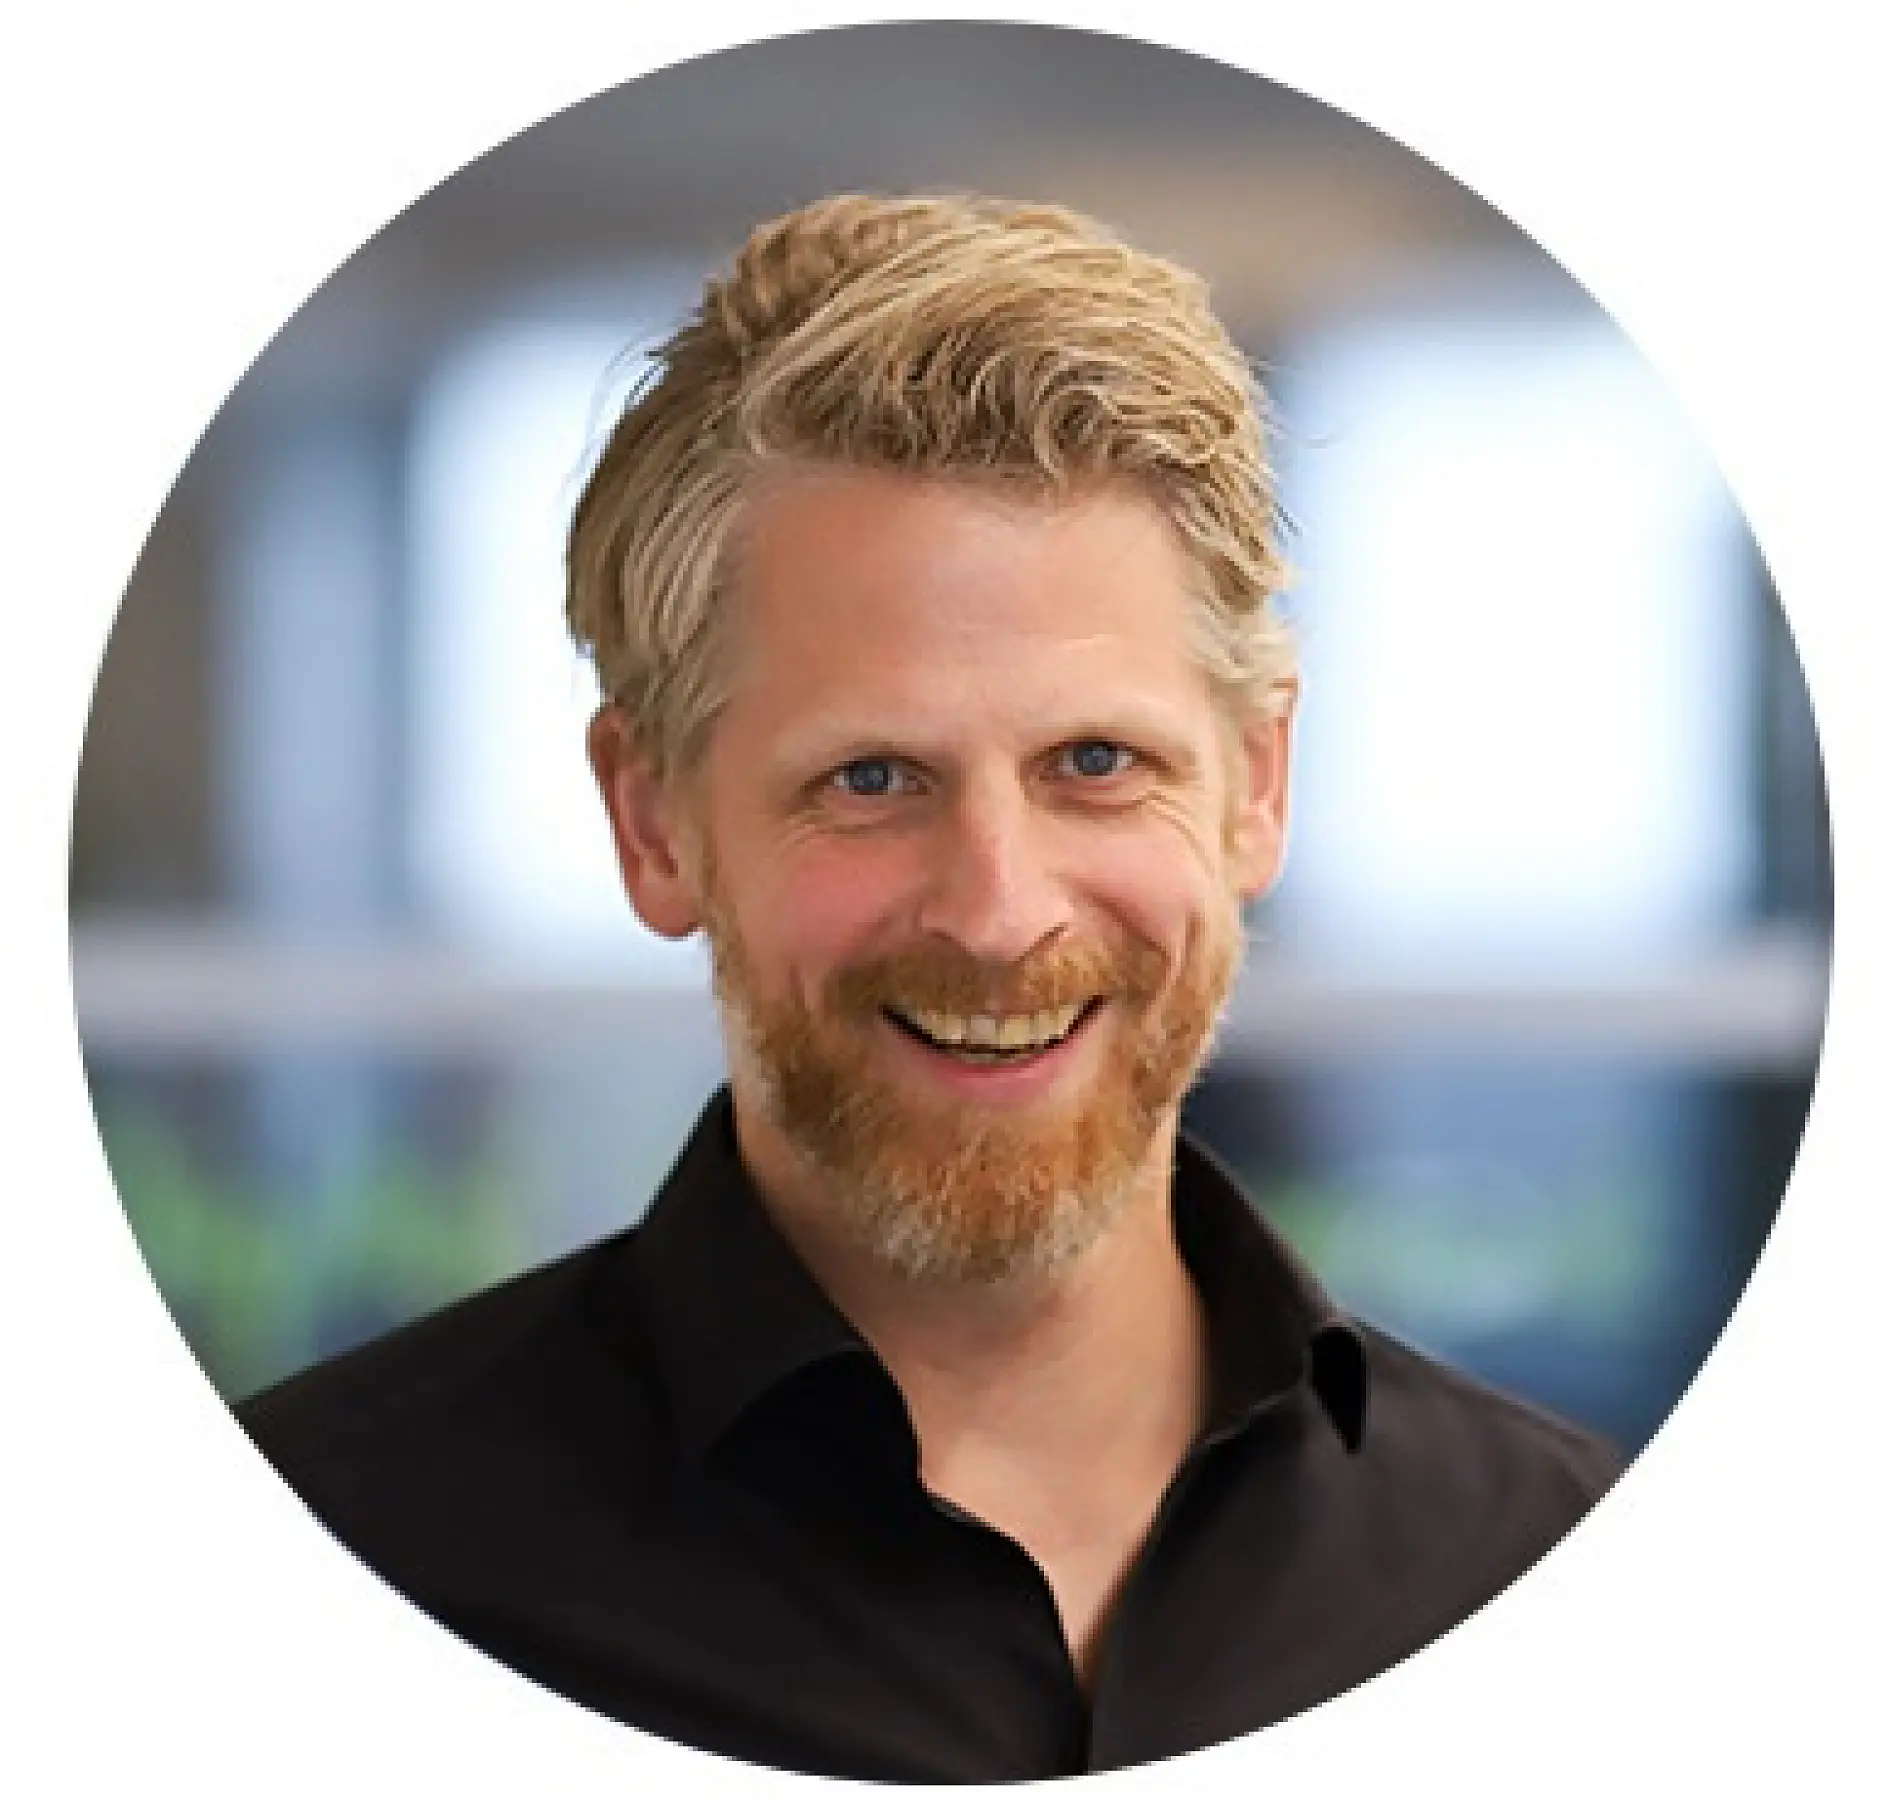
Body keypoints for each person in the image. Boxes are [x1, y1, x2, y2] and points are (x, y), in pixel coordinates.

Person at [239, 192, 1622, 1782]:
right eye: (873, 776)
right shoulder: (321, 1565)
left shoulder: (1557, 1564)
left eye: (1097, 763)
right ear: (652, 824)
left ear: (1256, 786)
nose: (998, 911)